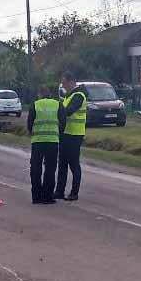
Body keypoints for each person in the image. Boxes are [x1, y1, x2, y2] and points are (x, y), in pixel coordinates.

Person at [27, 84, 65, 204]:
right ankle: (47, 196)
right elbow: (63, 122)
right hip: (52, 141)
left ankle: (36, 196)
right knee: (50, 169)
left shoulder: (35, 105)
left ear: (39, 94)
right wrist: (58, 133)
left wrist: (31, 133)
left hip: (37, 141)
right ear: (49, 94)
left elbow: (29, 123)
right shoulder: (58, 104)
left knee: (36, 169)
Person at [54, 72, 87, 202]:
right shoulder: (68, 96)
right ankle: (59, 191)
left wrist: (57, 111)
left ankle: (74, 193)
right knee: (62, 164)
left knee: (74, 164)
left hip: (75, 135)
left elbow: (69, 111)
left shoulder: (79, 96)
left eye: (64, 82)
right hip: (65, 134)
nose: (63, 85)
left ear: (72, 81)